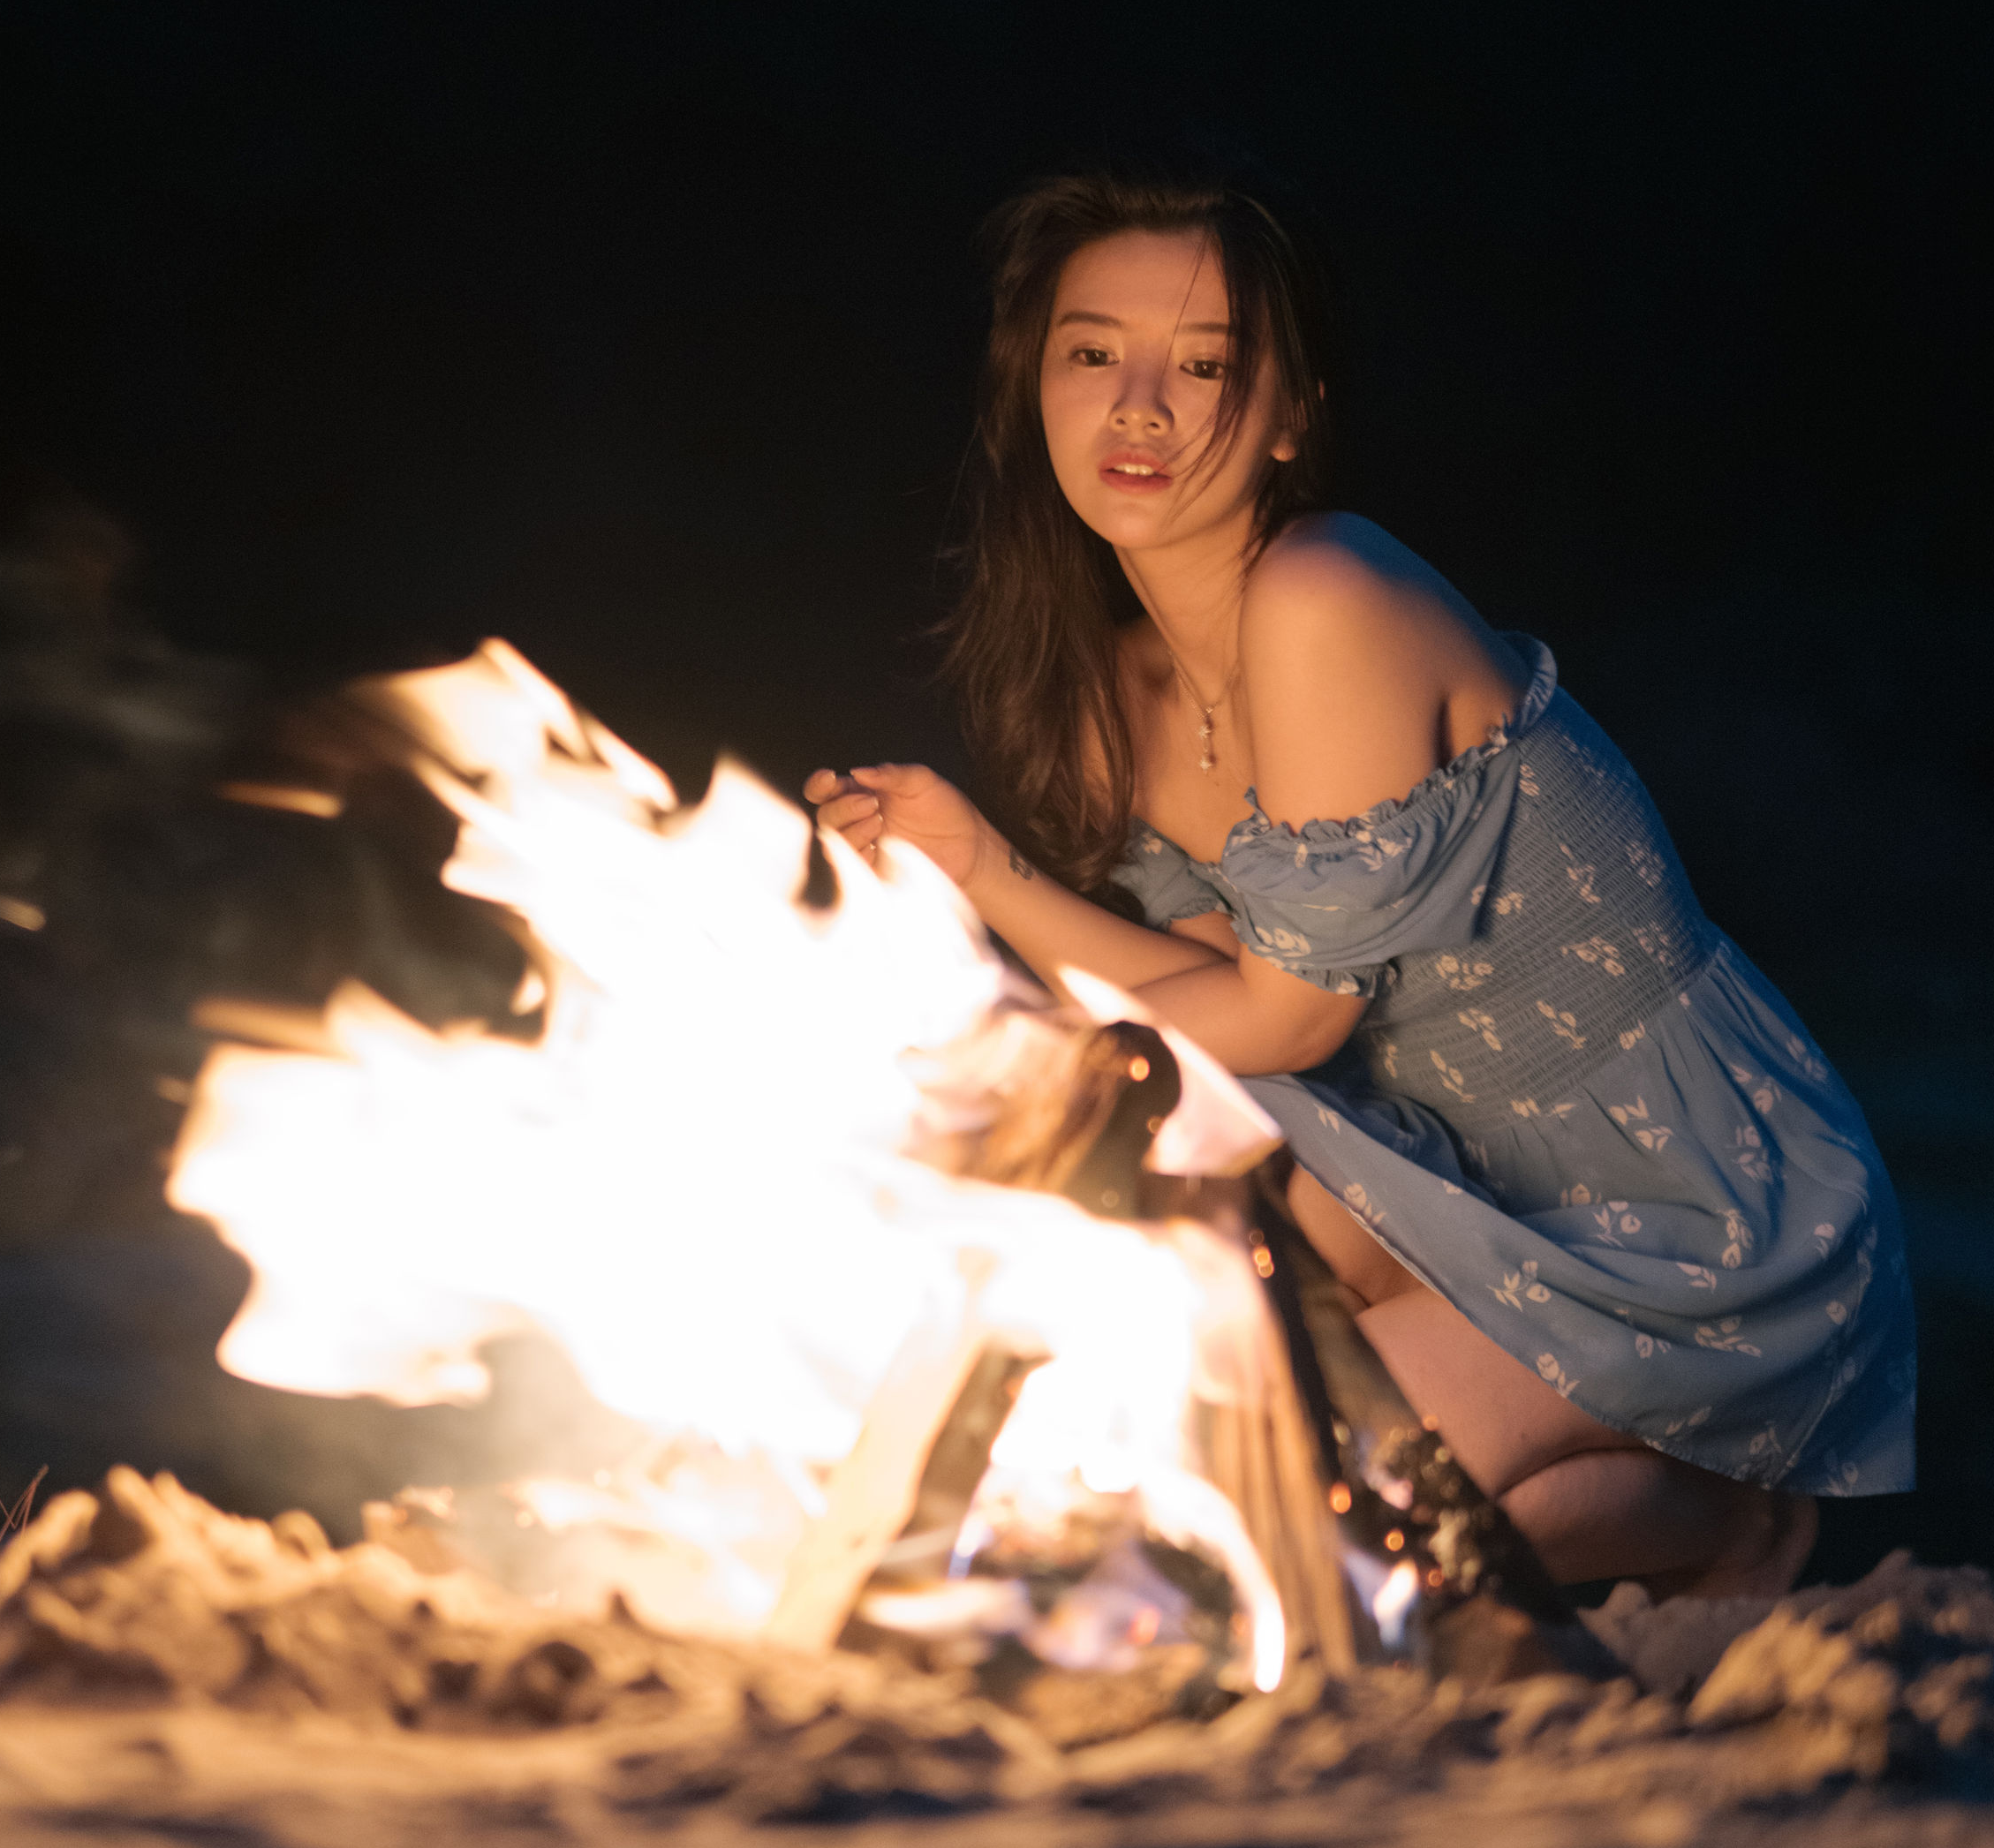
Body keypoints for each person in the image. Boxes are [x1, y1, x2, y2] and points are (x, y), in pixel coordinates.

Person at [809, 171, 1913, 1598]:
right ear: (1035, 384)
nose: (1138, 404)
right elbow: (1218, 1031)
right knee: (1236, 1472)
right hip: (1441, 1176)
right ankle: (1687, 1513)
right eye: (1093, 354)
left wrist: (1003, 881)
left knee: (1286, 1510)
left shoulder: (1325, 593)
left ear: (1289, 413)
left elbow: (1286, 1024)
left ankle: (1732, 1516)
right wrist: (974, 864)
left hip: (1691, 1197)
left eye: (1203, 364)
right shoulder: (1114, 695)